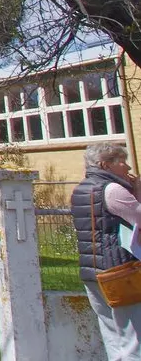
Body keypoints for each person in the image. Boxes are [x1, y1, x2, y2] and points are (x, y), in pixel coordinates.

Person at [72, 141, 141, 360]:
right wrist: (138, 191)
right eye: (122, 162)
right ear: (105, 164)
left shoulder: (81, 188)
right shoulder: (112, 190)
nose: (128, 168)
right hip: (120, 272)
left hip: (92, 271)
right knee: (133, 338)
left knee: (112, 335)